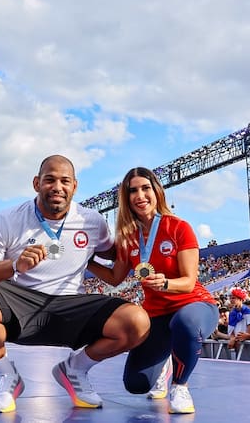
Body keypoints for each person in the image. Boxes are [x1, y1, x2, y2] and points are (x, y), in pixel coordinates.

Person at [0, 155, 150, 413]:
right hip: (21, 302)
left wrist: (149, 226)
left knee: (136, 321)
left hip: (71, 306)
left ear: (75, 187)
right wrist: (14, 264)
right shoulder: (8, 219)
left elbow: (120, 254)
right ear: (36, 183)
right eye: (49, 180)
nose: (57, 187)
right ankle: (8, 377)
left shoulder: (92, 221)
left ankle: (75, 369)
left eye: (64, 181)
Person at [91, 166, 218, 414]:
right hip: (157, 315)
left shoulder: (178, 227)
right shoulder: (128, 238)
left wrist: (166, 283)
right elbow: (115, 278)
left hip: (194, 305)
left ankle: (180, 387)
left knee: (186, 323)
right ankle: (166, 362)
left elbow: (189, 282)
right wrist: (87, 261)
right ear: (126, 199)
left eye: (145, 188)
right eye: (133, 191)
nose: (140, 196)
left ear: (157, 191)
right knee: (136, 384)